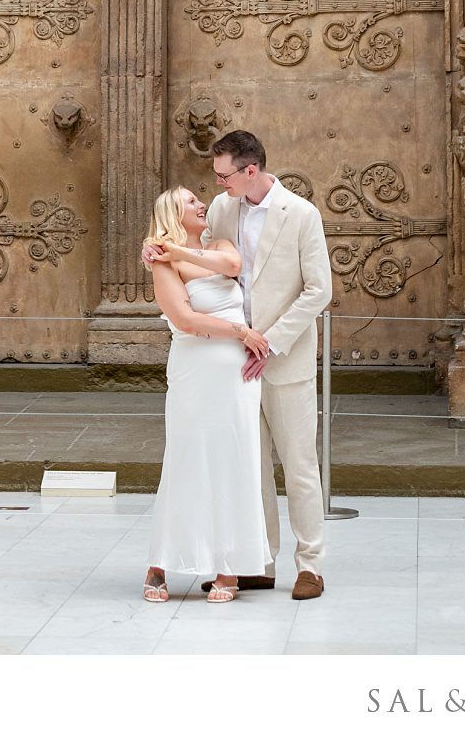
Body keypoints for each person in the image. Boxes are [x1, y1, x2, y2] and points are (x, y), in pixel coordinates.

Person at [199, 130, 334, 599]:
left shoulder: (301, 214)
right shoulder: (221, 210)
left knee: (299, 468)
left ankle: (310, 565)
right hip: (234, 360)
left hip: (285, 360)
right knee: (251, 468)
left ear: (250, 170)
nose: (217, 184)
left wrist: (270, 343)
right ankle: (261, 560)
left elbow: (319, 291)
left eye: (223, 175)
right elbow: (199, 261)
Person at [138, 188, 268, 603]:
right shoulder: (162, 265)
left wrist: (178, 250)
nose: (201, 205)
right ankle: (160, 563)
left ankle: (228, 568)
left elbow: (231, 265)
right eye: (191, 202)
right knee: (186, 460)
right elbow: (186, 320)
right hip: (195, 372)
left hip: (234, 376)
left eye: (200, 200)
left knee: (234, 460)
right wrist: (241, 331)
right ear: (174, 213)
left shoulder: (217, 246)